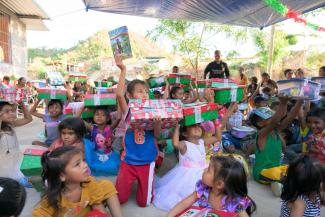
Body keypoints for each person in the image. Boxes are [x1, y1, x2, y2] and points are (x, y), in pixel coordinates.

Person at [114, 55, 162, 207]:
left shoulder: (152, 111)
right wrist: (123, 69)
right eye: (140, 91)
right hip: (128, 162)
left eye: (146, 92)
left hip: (147, 162)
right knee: (119, 199)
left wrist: (157, 124)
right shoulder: (128, 111)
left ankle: (146, 183)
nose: (144, 94)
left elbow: (157, 135)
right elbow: (118, 95)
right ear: (130, 95)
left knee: (144, 203)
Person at [32, 146, 123, 217]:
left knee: (106, 184)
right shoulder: (53, 198)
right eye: (77, 164)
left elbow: (97, 206)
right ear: (62, 176)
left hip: (86, 212)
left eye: (83, 160)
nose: (85, 165)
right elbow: (39, 214)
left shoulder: (89, 182)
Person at [153, 121, 222, 211]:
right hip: (187, 175)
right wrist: (177, 126)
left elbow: (218, 137)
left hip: (203, 171)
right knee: (186, 193)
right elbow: (175, 143)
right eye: (192, 126)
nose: (197, 127)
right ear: (185, 133)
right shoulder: (184, 144)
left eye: (198, 126)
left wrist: (215, 122)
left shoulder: (201, 141)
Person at [167, 156, 256, 217]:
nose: (204, 169)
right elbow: (184, 203)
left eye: (208, 170)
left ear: (219, 184)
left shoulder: (234, 201)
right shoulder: (202, 189)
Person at [249, 97, 303, 196]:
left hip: (276, 169)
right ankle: (280, 184)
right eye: (269, 117)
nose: (274, 117)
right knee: (280, 175)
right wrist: (283, 103)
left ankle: (277, 183)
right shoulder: (262, 134)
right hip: (262, 172)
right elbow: (275, 121)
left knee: (296, 169)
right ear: (260, 123)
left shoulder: (276, 131)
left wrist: (300, 101)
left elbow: (290, 117)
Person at [79, 106, 121, 175]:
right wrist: (83, 107)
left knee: (112, 166)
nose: (99, 116)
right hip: (96, 154)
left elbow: (119, 118)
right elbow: (79, 119)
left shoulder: (110, 128)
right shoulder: (92, 128)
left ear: (107, 118)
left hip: (109, 154)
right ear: (93, 117)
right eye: (97, 114)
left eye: (103, 115)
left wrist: (119, 102)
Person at [0, 101, 32, 186]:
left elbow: (28, 119)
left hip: (14, 159)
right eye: (7, 111)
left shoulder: (10, 124)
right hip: (3, 163)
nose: (11, 113)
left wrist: (22, 104)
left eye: (11, 110)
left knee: (15, 176)